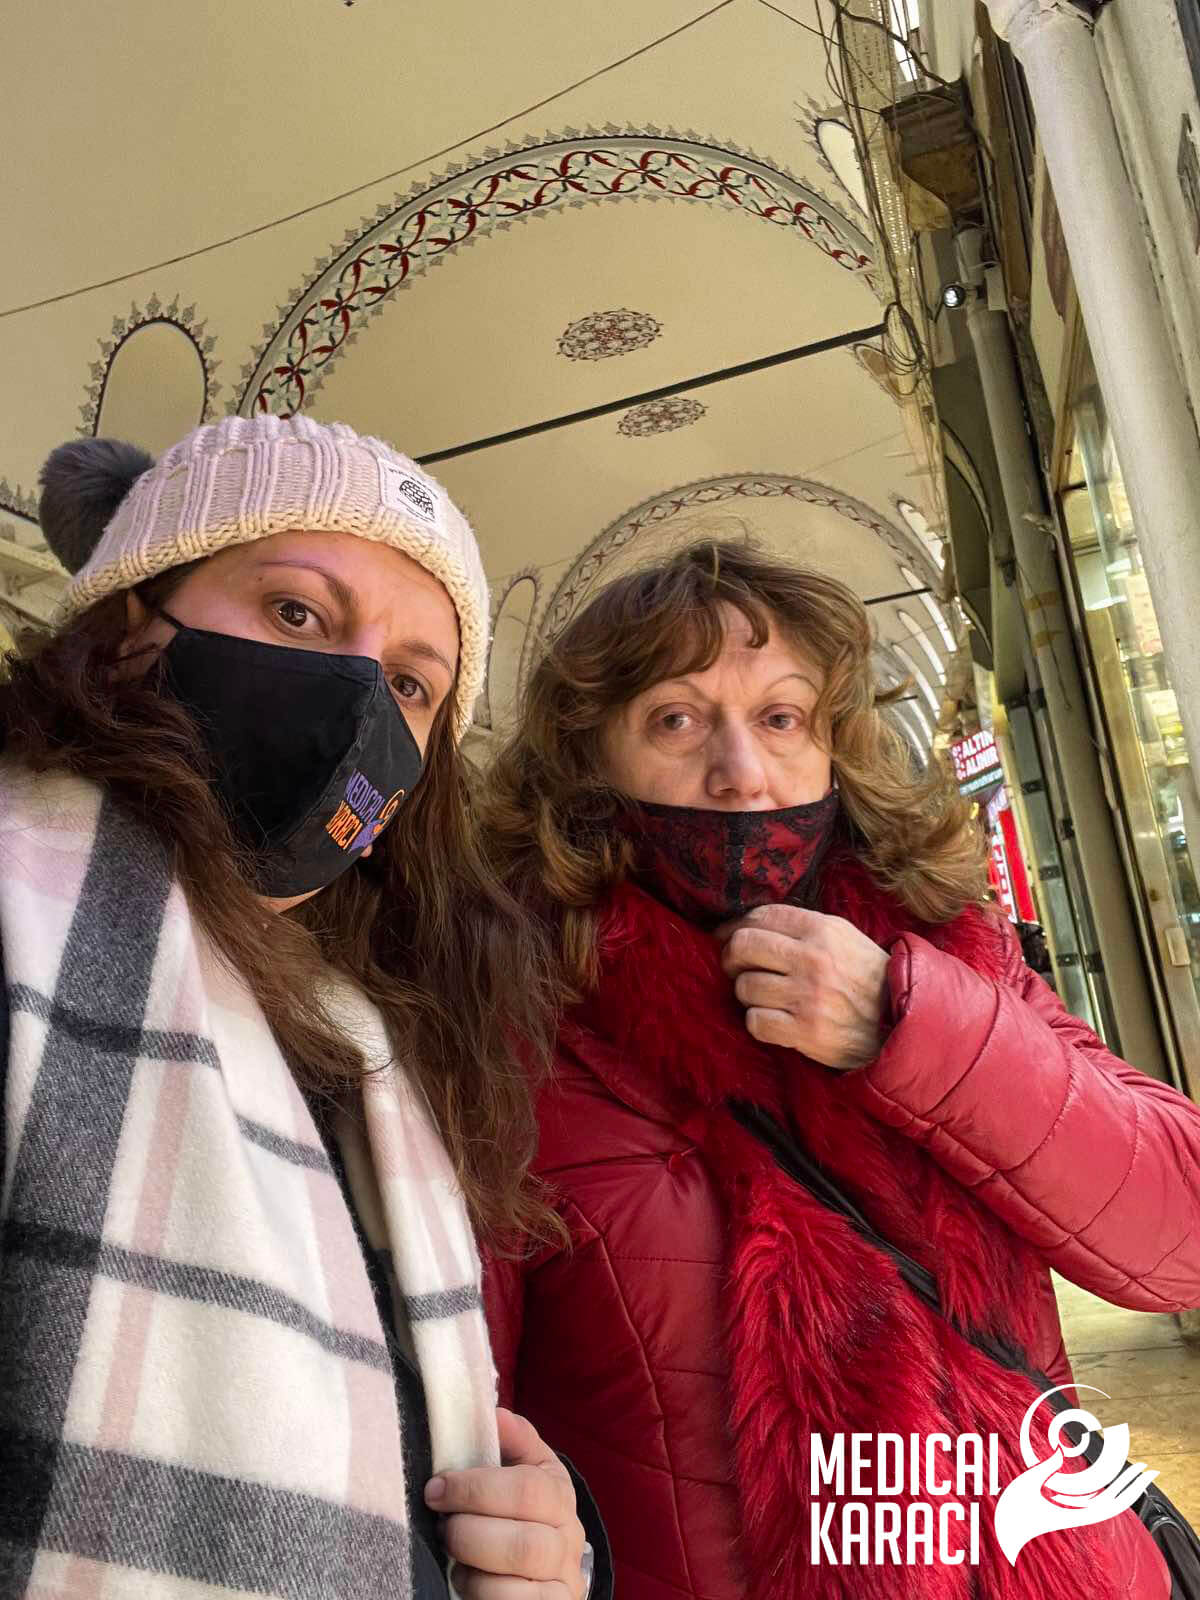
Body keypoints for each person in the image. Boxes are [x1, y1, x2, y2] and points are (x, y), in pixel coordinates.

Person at [480, 538, 1200, 1600]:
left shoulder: (956, 955)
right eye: (675, 721)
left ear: (834, 747)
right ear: (588, 765)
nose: (742, 770)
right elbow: (465, 1428)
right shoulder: (511, 1039)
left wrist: (910, 1031)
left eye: (781, 718)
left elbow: (1180, 1240)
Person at [0, 416, 607, 1600]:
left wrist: (555, 1553)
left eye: (412, 683)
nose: (357, 696)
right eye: (296, 612)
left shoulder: (369, 1044)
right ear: (130, 626)